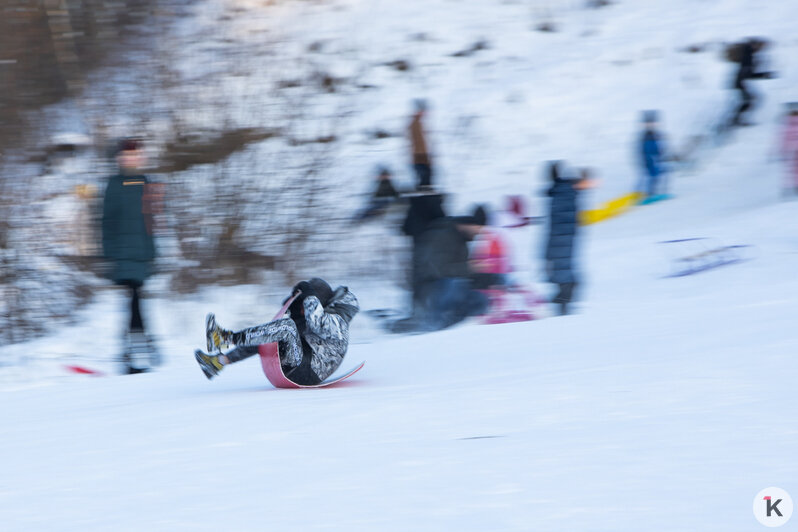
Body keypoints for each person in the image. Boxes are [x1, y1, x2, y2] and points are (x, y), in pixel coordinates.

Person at [194, 278, 359, 386]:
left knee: (286, 327)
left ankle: (224, 338)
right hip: (300, 362)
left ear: (318, 302)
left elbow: (318, 323)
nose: (303, 311)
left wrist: (308, 294)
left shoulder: (338, 322)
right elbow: (273, 332)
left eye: (305, 307)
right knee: (271, 333)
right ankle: (217, 362)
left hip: (309, 371)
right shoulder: (313, 317)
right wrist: (293, 305)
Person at [101, 138, 159, 373]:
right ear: (119, 159)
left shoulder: (145, 182)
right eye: (126, 156)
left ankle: (134, 350)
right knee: (134, 300)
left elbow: (151, 220)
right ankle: (138, 350)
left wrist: (153, 252)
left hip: (141, 255)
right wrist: (108, 255)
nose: (130, 160)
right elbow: (106, 222)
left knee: (135, 302)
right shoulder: (113, 184)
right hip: (123, 256)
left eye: (135, 156)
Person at [405, 205, 490, 331]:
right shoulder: (442, 236)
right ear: (468, 224)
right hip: (428, 288)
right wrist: (469, 267)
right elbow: (440, 270)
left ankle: (459, 329)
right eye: (478, 228)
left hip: (449, 286)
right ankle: (433, 326)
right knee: (456, 284)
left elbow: (463, 272)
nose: (478, 233)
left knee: (480, 299)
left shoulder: (462, 240)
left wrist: (492, 279)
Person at [543, 162, 590, 316]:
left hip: (558, 238)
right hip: (564, 238)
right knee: (568, 278)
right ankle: (561, 307)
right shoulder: (568, 192)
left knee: (565, 277)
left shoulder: (558, 192)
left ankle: (561, 306)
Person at [729, 38, 774, 127]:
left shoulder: (749, 55)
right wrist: (763, 75)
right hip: (740, 82)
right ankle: (735, 120)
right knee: (748, 100)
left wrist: (764, 75)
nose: (760, 48)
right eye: (758, 46)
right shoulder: (748, 56)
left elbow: (748, 73)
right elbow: (748, 73)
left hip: (740, 82)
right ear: (753, 45)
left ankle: (736, 119)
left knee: (748, 100)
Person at [638, 110, 668, 201]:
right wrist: (644, 160)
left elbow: (659, 147)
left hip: (654, 158)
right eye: (648, 123)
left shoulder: (655, 135)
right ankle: (647, 193)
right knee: (651, 175)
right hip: (648, 158)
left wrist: (660, 154)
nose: (650, 125)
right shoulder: (645, 136)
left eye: (652, 123)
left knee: (658, 174)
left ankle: (655, 192)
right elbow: (643, 150)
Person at [409, 99, 433, 187]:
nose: (424, 113)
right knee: (424, 176)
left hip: (423, 154)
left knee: (427, 176)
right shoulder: (415, 123)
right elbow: (417, 141)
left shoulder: (419, 122)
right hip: (419, 155)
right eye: (422, 111)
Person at [778, 103, 798, 196]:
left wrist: (784, 150)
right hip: (794, 150)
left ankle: (795, 186)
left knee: (793, 169)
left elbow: (785, 138)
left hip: (793, 149)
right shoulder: (788, 125)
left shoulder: (788, 125)